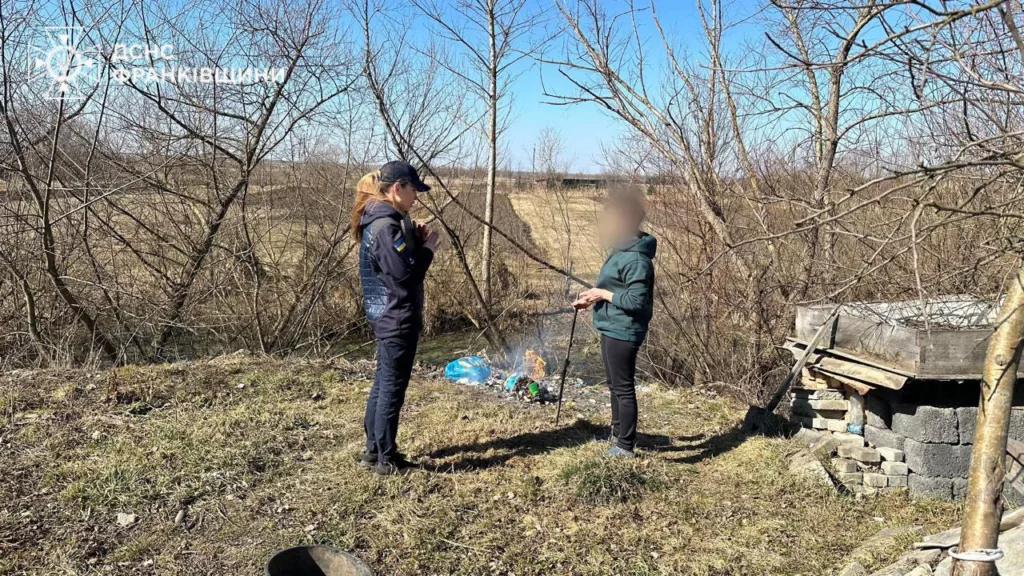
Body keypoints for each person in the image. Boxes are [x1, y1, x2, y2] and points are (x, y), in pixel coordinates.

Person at [353, 160, 439, 475]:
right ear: (397, 188)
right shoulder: (386, 226)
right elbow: (406, 274)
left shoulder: (382, 220)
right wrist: (428, 248)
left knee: (383, 383)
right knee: (392, 388)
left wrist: (413, 238)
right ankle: (386, 459)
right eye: (413, 190)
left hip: (386, 313)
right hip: (396, 316)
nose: (416, 196)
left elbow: (395, 264)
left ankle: (374, 452)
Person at [573, 190, 656, 458]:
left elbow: (635, 301)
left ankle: (625, 446)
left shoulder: (637, 259)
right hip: (611, 326)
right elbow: (613, 288)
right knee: (614, 385)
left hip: (625, 330)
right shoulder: (621, 251)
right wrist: (592, 297)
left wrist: (602, 294)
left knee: (623, 387)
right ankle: (617, 434)